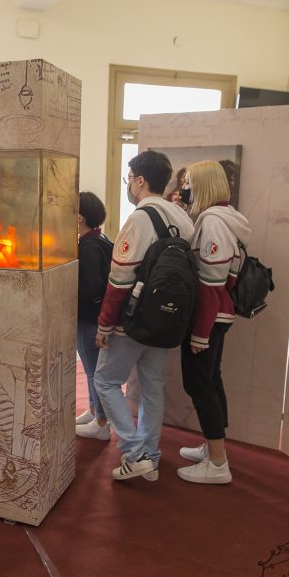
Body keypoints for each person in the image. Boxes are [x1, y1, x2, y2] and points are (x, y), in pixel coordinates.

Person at [93, 150, 194, 481]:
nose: (128, 185)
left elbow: (120, 278)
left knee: (105, 380)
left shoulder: (139, 218)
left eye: (129, 178)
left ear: (139, 180)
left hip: (132, 320)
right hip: (168, 320)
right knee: (153, 385)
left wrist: (105, 324)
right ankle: (150, 452)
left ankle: (135, 453)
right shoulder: (182, 218)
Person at [175, 161, 251, 484]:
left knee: (199, 383)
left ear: (203, 185)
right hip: (217, 316)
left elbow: (210, 286)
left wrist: (199, 334)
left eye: (190, 182)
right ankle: (213, 446)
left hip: (209, 317)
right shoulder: (225, 217)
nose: (184, 187)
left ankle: (218, 463)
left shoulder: (214, 224)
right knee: (211, 378)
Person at [74, 192, 113, 440]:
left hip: (90, 319)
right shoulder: (100, 240)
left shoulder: (88, 247)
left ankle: (101, 422)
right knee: (92, 368)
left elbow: (91, 288)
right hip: (94, 318)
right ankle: (93, 410)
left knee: (93, 370)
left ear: (79, 218)